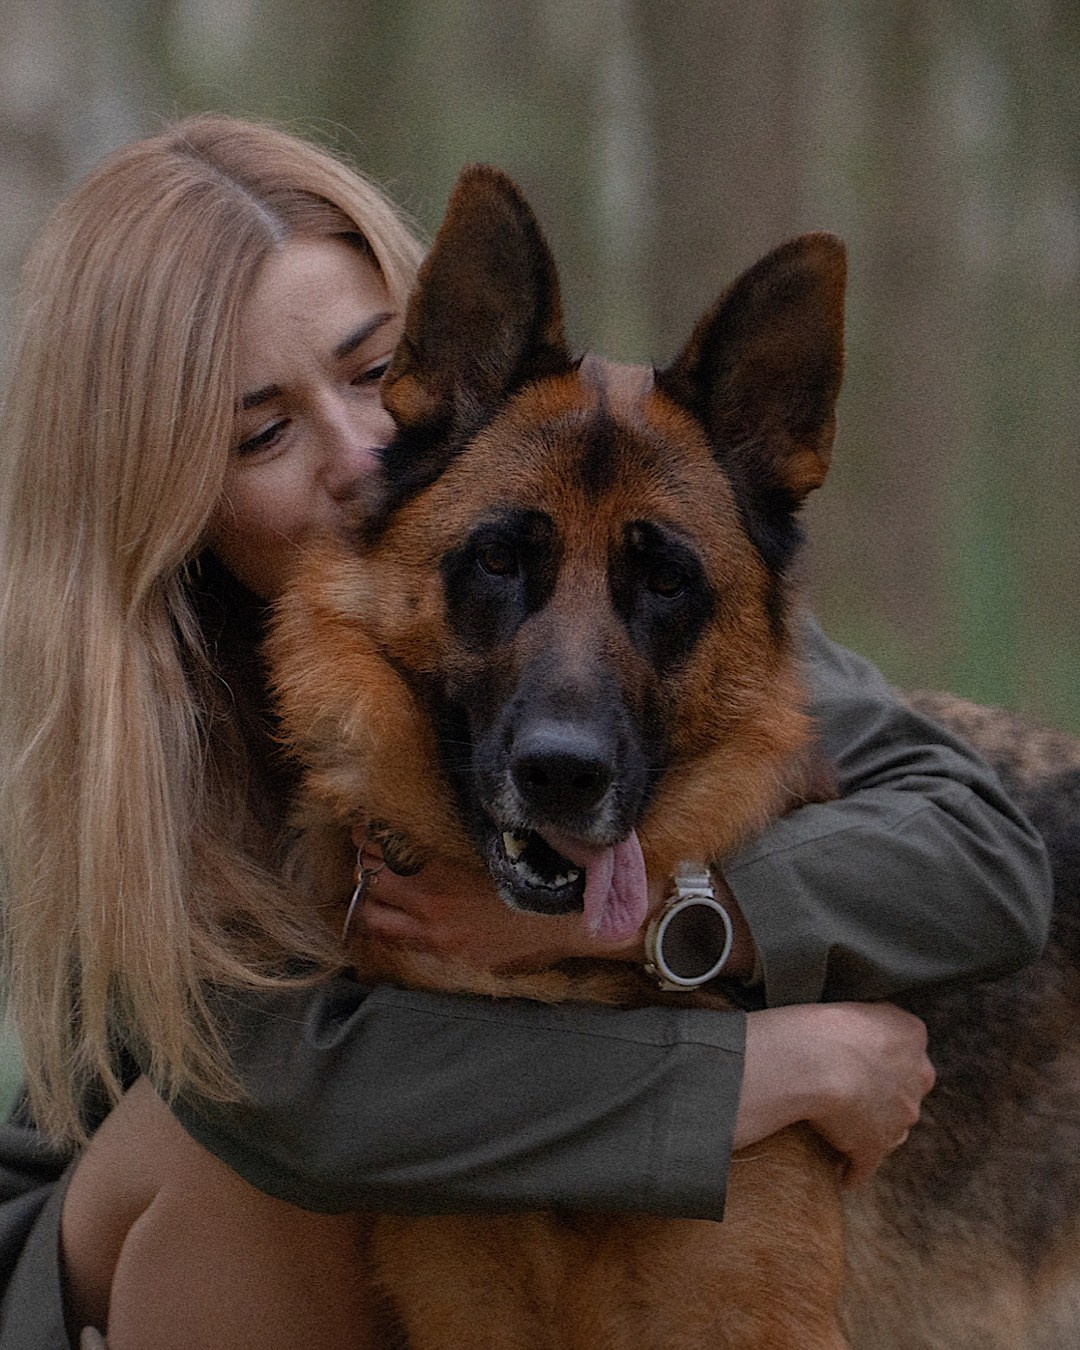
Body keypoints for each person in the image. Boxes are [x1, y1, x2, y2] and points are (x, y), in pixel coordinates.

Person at [0, 114, 1051, 1348]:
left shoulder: (614, 532)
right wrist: (761, 1077)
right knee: (261, 1177)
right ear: (152, 483)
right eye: (263, 432)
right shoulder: (122, 732)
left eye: (369, 368)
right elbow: (306, 1107)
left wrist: (651, 915)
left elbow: (985, 848)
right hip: (139, 1247)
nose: (356, 454)